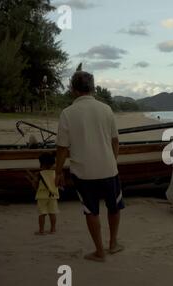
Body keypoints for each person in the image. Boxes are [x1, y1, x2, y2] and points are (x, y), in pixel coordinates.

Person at [55, 70, 124, 263]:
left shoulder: (67, 113)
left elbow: (62, 149)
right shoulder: (106, 109)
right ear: (93, 88)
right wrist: (112, 161)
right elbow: (115, 141)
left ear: (73, 89)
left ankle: (99, 251)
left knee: (91, 211)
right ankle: (113, 244)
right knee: (114, 206)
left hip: (83, 173)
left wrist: (58, 172)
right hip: (109, 169)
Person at [26, 153, 60, 235]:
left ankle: (41, 230)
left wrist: (30, 179)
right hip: (53, 195)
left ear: (41, 164)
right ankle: (53, 229)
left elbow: (35, 186)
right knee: (52, 213)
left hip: (42, 196)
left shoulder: (39, 174)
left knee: (42, 213)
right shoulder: (55, 173)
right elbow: (58, 184)